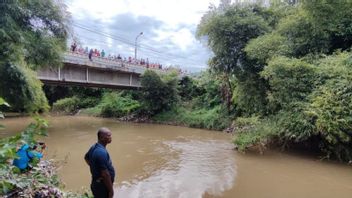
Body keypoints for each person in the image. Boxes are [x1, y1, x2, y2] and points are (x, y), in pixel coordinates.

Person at [85, 128, 115, 198]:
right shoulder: (101, 153)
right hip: (102, 187)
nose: (111, 137)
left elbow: (86, 158)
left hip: (97, 184)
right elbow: (105, 174)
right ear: (101, 138)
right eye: (108, 135)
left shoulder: (94, 147)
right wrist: (111, 191)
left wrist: (94, 167)